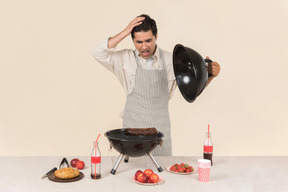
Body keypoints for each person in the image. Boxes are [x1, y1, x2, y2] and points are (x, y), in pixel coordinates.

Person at [92, 14, 220, 156]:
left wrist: (210, 76)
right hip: (132, 136)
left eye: (148, 40)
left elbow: (192, 87)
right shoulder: (125, 59)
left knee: (162, 175)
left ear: (156, 36)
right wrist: (124, 32)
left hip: (160, 132)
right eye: (138, 42)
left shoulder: (171, 60)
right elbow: (98, 53)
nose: (144, 46)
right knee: (132, 175)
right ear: (132, 40)